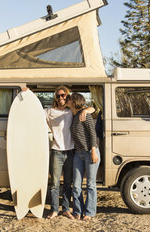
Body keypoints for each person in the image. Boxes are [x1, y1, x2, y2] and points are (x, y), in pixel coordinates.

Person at [41, 86, 94, 220]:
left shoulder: (71, 111)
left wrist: (87, 109)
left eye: (63, 95)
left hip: (71, 152)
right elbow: (34, 112)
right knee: (54, 183)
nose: (61, 98)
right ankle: (54, 210)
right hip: (56, 151)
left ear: (68, 97)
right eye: (58, 96)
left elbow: (92, 108)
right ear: (55, 97)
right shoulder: (49, 111)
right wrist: (26, 93)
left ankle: (65, 209)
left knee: (69, 183)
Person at [68, 92, 100, 221]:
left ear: (75, 101)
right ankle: (77, 210)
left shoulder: (84, 115)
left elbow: (92, 134)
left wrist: (93, 151)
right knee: (76, 185)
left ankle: (89, 213)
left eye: (69, 98)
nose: (66, 100)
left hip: (90, 152)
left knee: (91, 184)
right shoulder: (74, 114)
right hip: (78, 153)